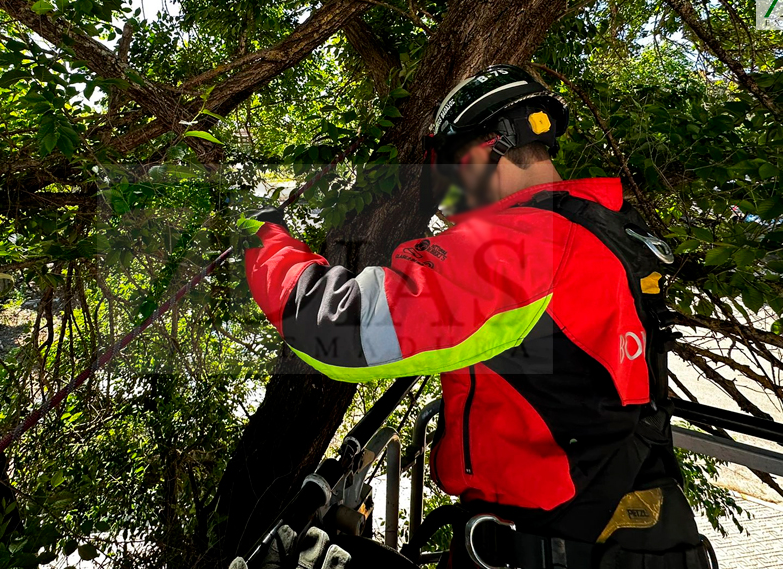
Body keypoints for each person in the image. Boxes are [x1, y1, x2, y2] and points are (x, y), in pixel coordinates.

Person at [237, 65, 715, 569]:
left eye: (447, 169)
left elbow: (340, 329)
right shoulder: (595, 230)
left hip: (569, 545)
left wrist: (258, 233)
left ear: (485, 150)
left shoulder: (526, 244)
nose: (444, 200)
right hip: (603, 531)